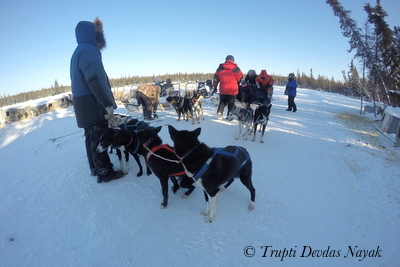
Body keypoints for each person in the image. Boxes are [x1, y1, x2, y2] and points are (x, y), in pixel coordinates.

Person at [70, 18, 124, 183]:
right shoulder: (89, 51)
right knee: (98, 138)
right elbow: (95, 80)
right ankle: (105, 172)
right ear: (92, 34)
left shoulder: (78, 51)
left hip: (82, 105)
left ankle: (95, 168)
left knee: (90, 137)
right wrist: (107, 103)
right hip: (93, 104)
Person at [212, 55, 243, 119]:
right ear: (233, 60)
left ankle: (219, 114)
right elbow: (240, 77)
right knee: (231, 104)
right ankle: (230, 116)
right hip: (233, 89)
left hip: (223, 88)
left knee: (222, 102)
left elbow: (215, 78)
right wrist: (237, 83)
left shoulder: (220, 67)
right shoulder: (236, 68)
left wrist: (215, 87)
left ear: (226, 60)